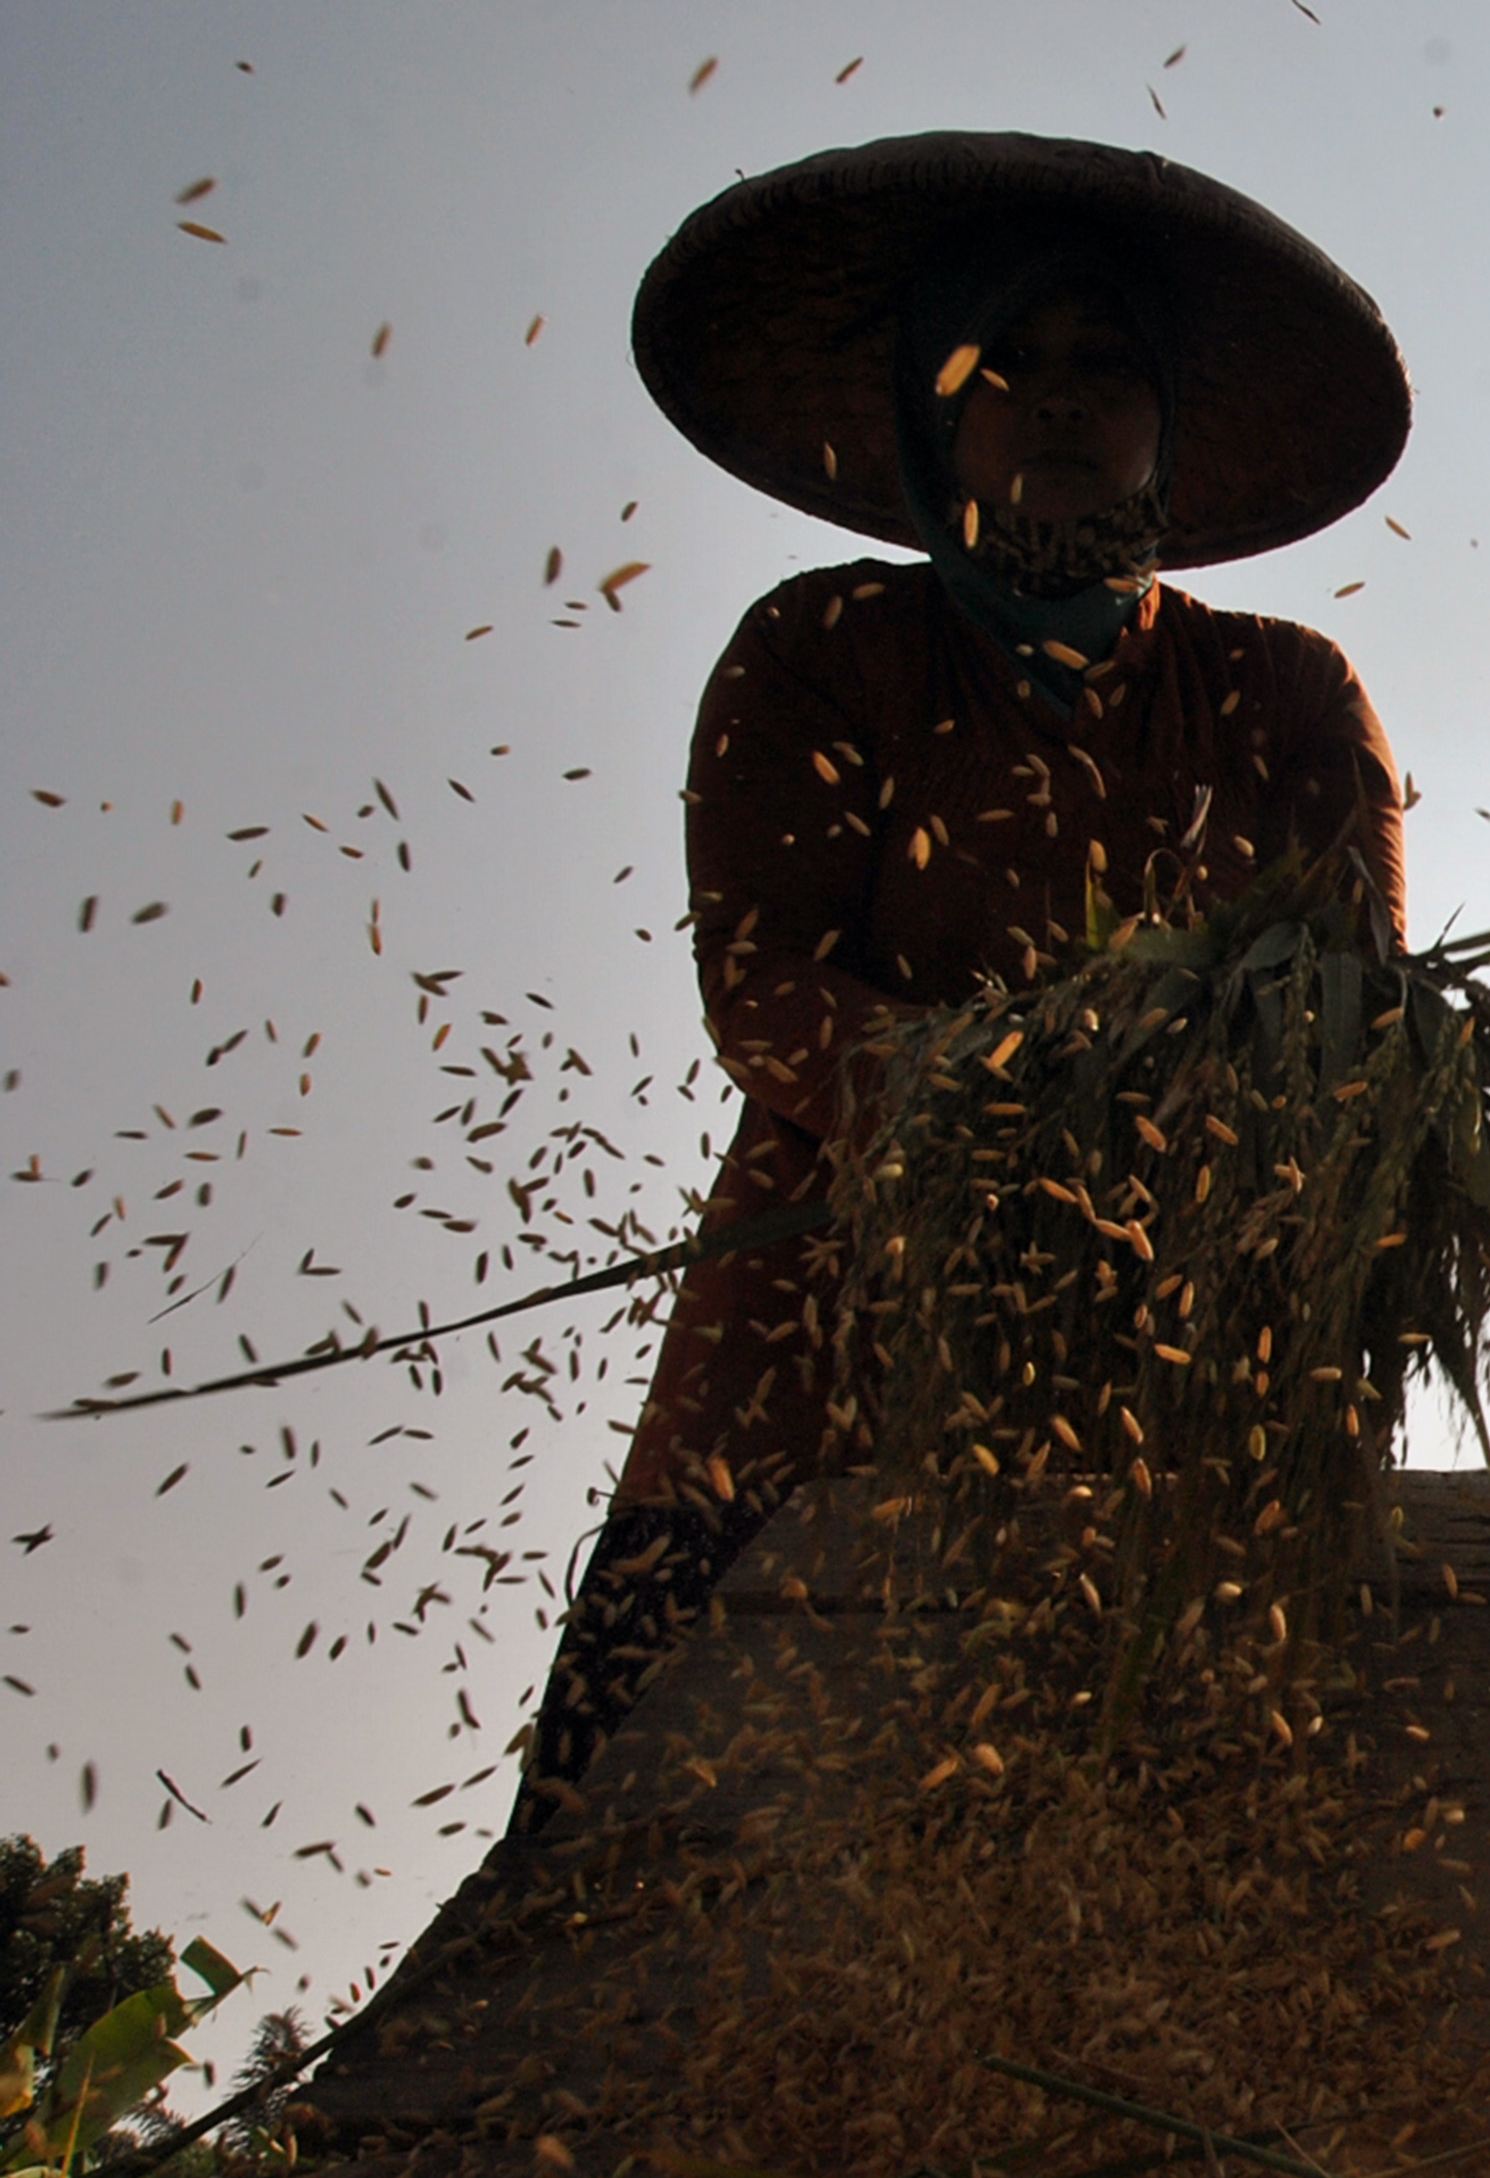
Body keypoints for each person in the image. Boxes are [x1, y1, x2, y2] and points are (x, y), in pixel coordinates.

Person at [514, 132, 1412, 1826]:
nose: (1057, 403)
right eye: (1003, 367)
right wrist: (980, 1105)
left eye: (1103, 366)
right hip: (835, 1294)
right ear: (937, 416)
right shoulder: (826, 649)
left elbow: (1360, 1023)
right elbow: (765, 972)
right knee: (645, 1804)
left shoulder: (1286, 691)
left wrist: (1185, 1140)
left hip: (1193, 1328)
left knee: (1198, 1811)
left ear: (1165, 420)